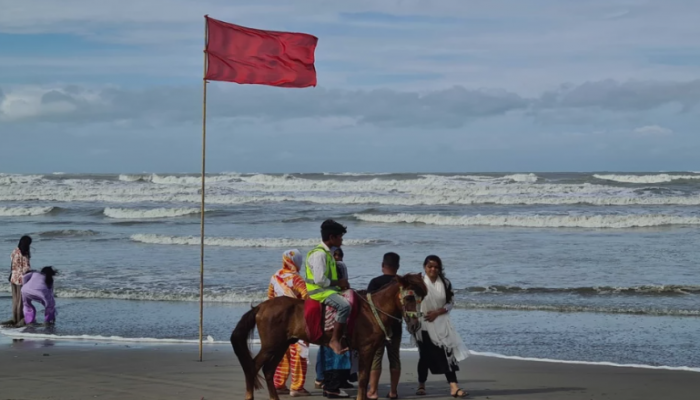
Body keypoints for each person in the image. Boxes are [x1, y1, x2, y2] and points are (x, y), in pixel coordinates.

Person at [414, 255, 470, 398]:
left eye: (436, 267)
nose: (433, 269)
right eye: (430, 266)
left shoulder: (445, 283)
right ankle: (421, 384)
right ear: (424, 267)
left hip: (442, 323)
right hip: (424, 325)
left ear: (439, 268)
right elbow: (411, 302)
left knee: (448, 354)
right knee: (425, 356)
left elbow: (451, 302)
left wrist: (438, 312)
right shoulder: (418, 282)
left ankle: (454, 386)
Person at [268, 249, 311, 397]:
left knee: (282, 354)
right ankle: (297, 387)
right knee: (299, 354)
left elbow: (270, 299)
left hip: (278, 322)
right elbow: (306, 299)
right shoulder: (297, 279)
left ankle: (278, 384)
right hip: (296, 322)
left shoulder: (275, 276)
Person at [305, 219, 350, 356]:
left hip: (328, 289)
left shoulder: (328, 253)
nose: (341, 240)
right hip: (319, 291)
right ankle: (334, 339)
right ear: (332, 237)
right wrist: (338, 283)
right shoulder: (320, 254)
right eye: (340, 237)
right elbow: (320, 280)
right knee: (345, 306)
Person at [316, 247, 353, 398]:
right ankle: (333, 386)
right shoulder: (341, 266)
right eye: (335, 255)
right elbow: (344, 285)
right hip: (337, 313)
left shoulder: (327, 266)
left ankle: (325, 381)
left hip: (326, 310)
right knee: (339, 347)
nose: (337, 257)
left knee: (326, 348)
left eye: (339, 255)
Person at [366, 252, 402, 400]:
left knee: (376, 357)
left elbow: (367, 306)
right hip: (396, 325)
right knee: (394, 358)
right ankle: (393, 391)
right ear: (397, 267)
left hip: (377, 328)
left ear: (383, 266)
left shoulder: (375, 283)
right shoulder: (401, 284)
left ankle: (373, 391)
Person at [3, 235, 32, 327]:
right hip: (21, 279)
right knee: (21, 300)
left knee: (15, 300)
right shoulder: (24, 253)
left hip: (13, 277)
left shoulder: (14, 251)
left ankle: (15, 318)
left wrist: (13, 273)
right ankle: (19, 319)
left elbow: (12, 264)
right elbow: (26, 268)